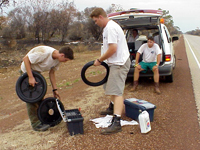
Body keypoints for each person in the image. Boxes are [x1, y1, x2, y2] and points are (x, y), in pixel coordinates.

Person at [90, 8, 130, 135]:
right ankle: (112, 107)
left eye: (96, 21)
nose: (96, 23)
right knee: (110, 87)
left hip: (119, 64)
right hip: (114, 63)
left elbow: (113, 48)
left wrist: (100, 60)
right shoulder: (108, 28)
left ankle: (117, 122)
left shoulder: (111, 28)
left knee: (117, 92)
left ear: (101, 17)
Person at [20, 45, 74, 131]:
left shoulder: (57, 61)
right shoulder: (44, 53)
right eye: (66, 60)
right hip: (27, 71)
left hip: (37, 73)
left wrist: (55, 89)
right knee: (32, 99)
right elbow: (26, 59)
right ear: (62, 55)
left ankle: (41, 120)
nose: (65, 62)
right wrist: (30, 77)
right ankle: (36, 124)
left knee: (40, 97)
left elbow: (52, 73)